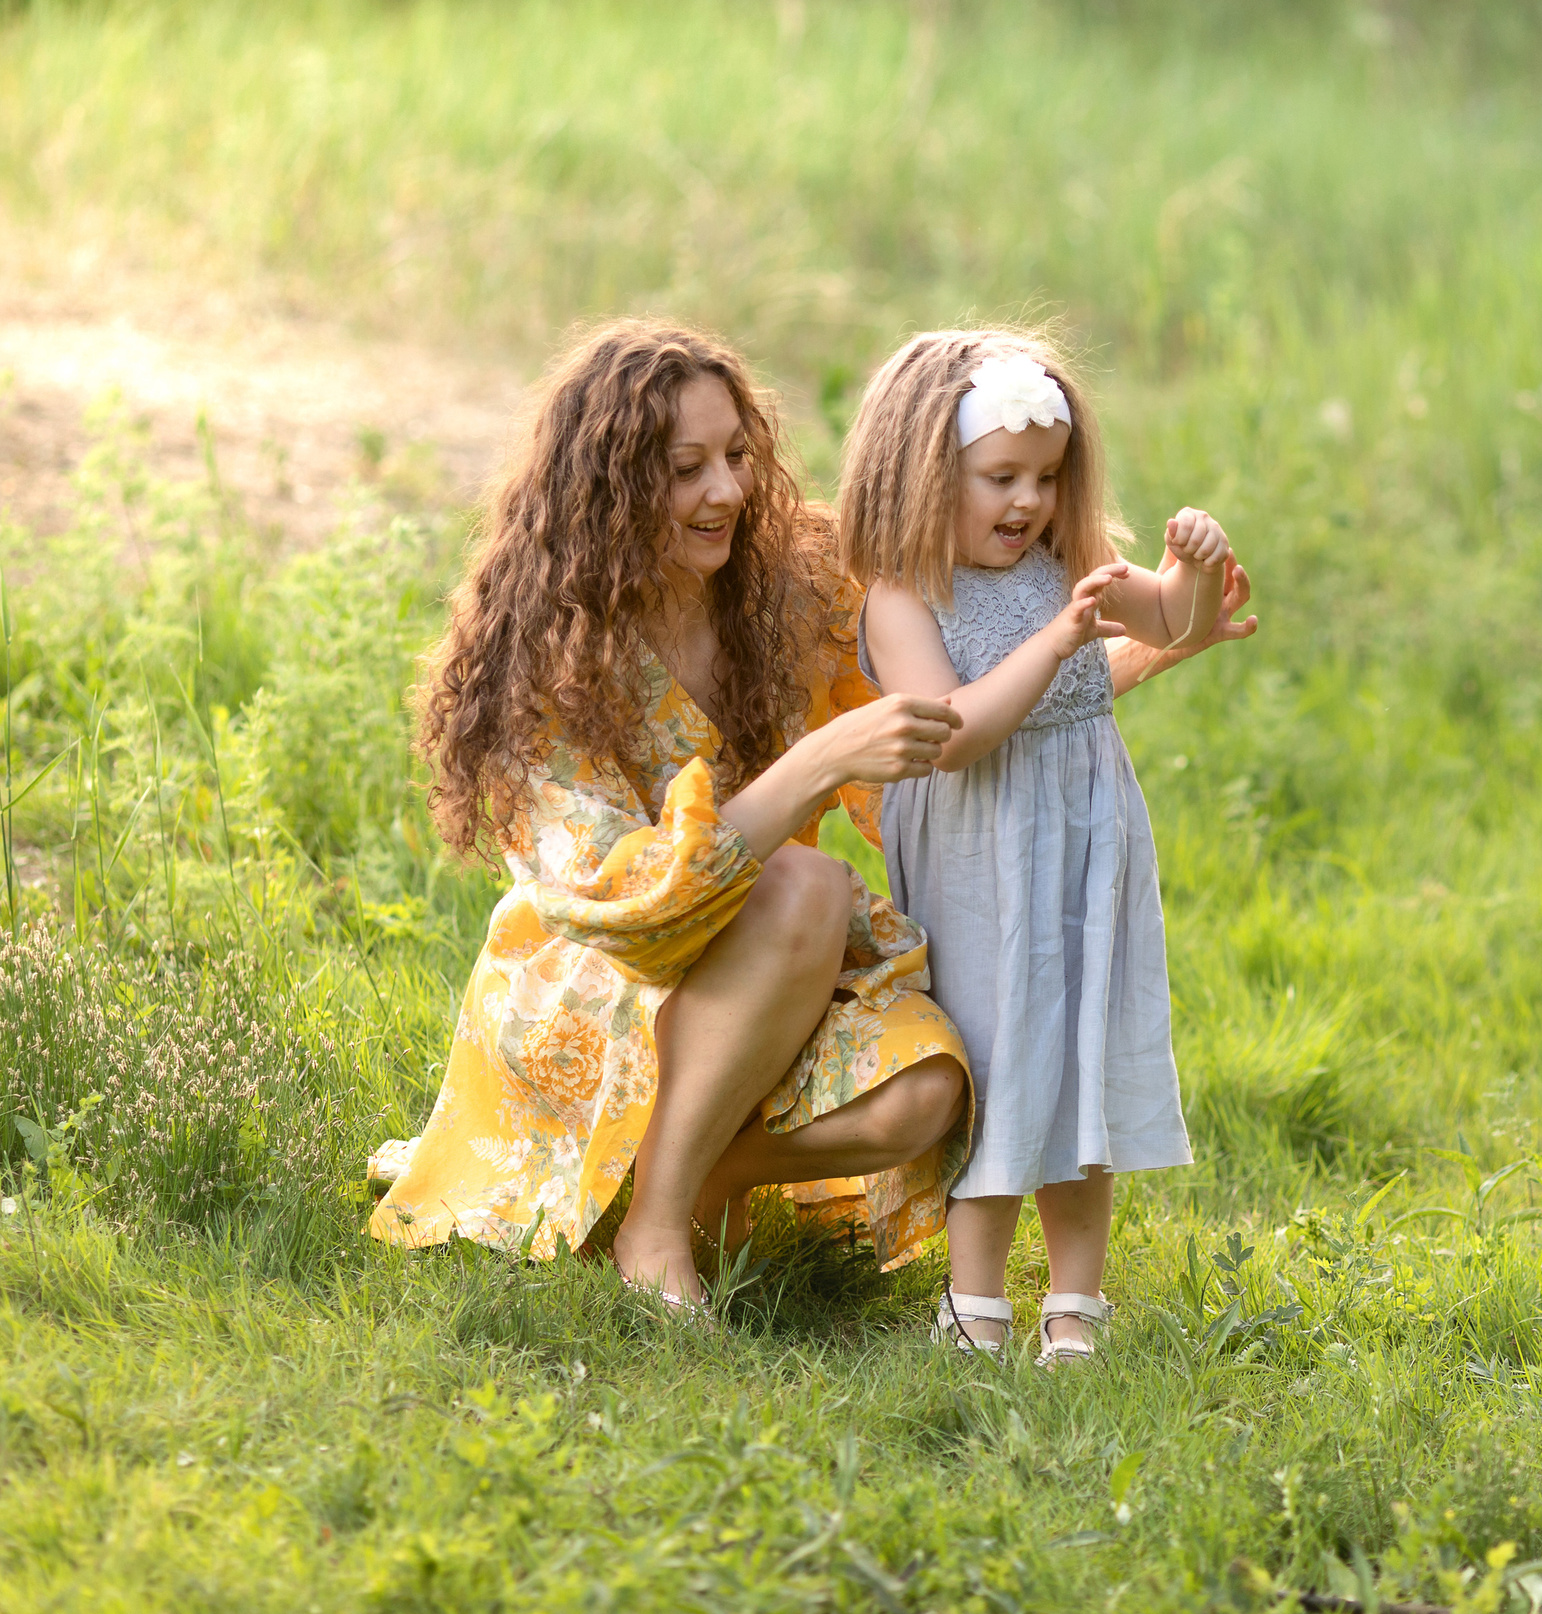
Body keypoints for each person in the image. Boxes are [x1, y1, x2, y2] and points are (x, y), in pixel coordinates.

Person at [367, 319, 1253, 1310]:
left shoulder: (791, 579)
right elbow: (629, 912)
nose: (727, 492)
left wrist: (1149, 647)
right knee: (803, 880)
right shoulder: (551, 661)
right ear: (606, 490)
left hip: (778, 964)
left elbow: (958, 714)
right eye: (686, 469)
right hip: (605, 987)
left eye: (738, 456)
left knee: (933, 1089)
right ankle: (655, 1223)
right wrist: (816, 762)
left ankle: (711, 1169)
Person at [844, 328, 1236, 1364]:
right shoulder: (902, 595)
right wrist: (1057, 640)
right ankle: (974, 1298)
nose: (1029, 501)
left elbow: (1171, 618)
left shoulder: (1067, 562)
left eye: (1048, 478)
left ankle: (1075, 1302)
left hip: (1083, 835)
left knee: (1078, 1049)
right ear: (925, 474)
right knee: (995, 1049)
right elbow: (954, 734)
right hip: (976, 845)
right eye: (1001, 478)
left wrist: (1191, 571)